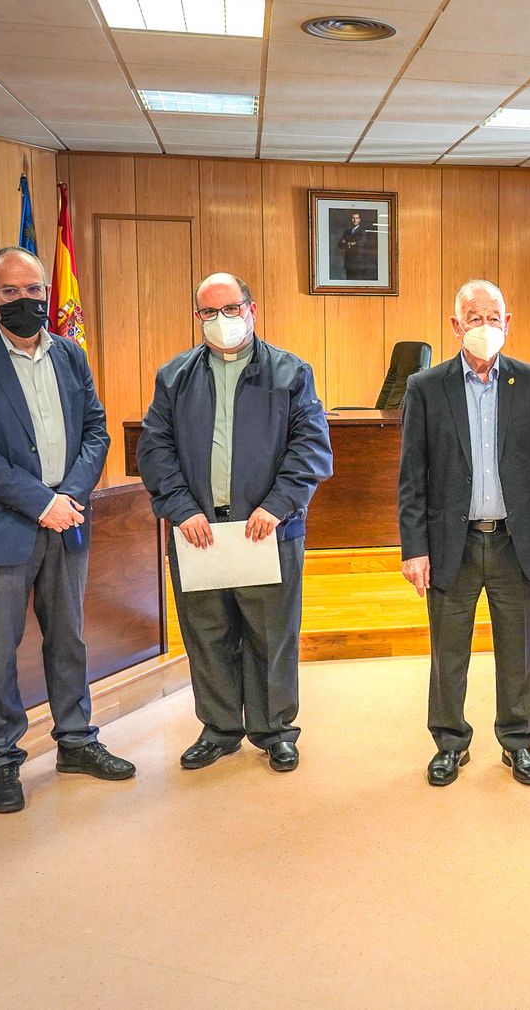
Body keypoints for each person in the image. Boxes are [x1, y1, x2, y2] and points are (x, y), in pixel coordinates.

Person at [0, 245, 134, 814]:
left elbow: (96, 428)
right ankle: (2, 760)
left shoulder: (70, 354)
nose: (26, 300)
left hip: (66, 521)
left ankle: (76, 741)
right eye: (12, 292)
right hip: (0, 527)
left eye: (34, 290)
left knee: (69, 637)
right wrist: (40, 501)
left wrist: (69, 495)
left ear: (48, 292)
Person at [137, 273, 334, 773]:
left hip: (267, 528)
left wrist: (278, 504)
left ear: (252, 309)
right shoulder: (175, 376)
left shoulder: (291, 373)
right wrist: (182, 509)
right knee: (207, 631)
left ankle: (275, 730)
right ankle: (221, 727)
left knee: (272, 635)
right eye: (209, 312)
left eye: (231, 309)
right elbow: (154, 449)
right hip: (199, 530)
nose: (221, 320)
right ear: (197, 317)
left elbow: (310, 448)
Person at [398, 279, 530, 787]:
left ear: (508, 323)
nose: (486, 327)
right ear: (456, 326)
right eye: (475, 318)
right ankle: (450, 743)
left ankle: (517, 742)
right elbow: (412, 477)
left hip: (516, 541)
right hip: (454, 542)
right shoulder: (425, 387)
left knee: (519, 649)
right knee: (449, 651)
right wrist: (414, 549)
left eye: (495, 317)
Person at [336, 211, 375, 280]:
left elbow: (360, 244)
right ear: (351, 219)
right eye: (353, 218)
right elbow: (340, 245)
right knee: (349, 283)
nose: (354, 220)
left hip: (359, 263)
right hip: (348, 263)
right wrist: (351, 243)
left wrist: (347, 242)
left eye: (356, 218)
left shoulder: (363, 231)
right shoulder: (346, 231)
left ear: (359, 220)